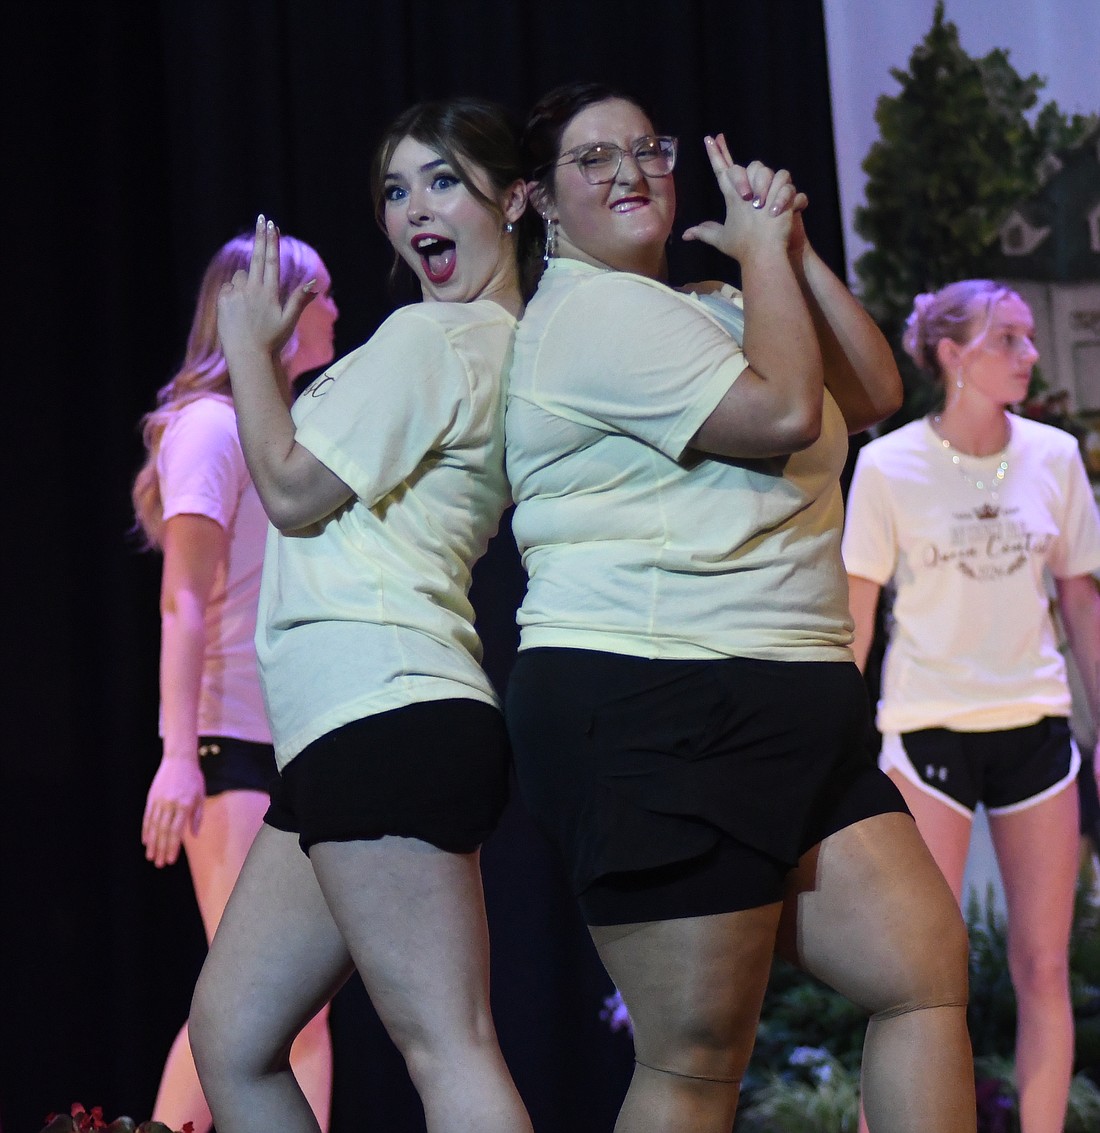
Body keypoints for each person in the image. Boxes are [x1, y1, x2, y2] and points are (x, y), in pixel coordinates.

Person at [504, 81, 977, 1133]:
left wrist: (790, 248)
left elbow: (869, 396)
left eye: (646, 147)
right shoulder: (586, 312)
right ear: (538, 198)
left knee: (921, 972)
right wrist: (760, 258)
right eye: (592, 158)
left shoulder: (711, 304)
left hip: (789, 700)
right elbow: (776, 413)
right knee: (696, 1055)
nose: (630, 170)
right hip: (656, 697)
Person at [188, 97, 534, 1133]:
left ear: (513, 198)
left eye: (442, 180)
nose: (413, 208)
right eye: (394, 188)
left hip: (383, 702)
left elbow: (291, 491)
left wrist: (249, 346)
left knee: (447, 1041)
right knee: (233, 1034)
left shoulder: (438, 337)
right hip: (351, 722)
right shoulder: (485, 342)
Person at [843, 280, 1100, 1133]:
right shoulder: (887, 466)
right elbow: (856, 616)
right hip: (926, 732)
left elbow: (1082, 602)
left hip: (1033, 725)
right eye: (1010, 340)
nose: (1030, 356)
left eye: (1030, 339)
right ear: (952, 354)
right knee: (917, 976)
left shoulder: (1054, 457)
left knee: (1041, 965)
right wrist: (837, 747)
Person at [132, 233, 337, 1132]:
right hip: (232, 748)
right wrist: (180, 755)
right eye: (321, 294)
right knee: (264, 998)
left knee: (292, 1002)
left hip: (286, 742)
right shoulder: (212, 428)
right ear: (279, 308)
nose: (334, 309)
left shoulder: (272, 425)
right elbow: (183, 598)